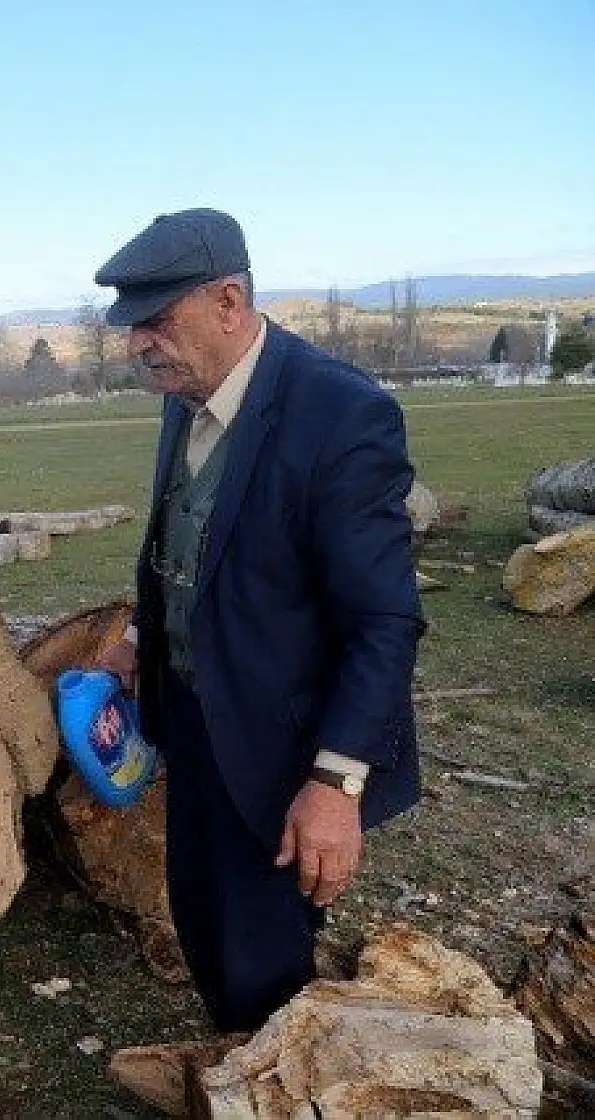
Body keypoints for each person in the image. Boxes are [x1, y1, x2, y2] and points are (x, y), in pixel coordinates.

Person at [91, 209, 424, 1032]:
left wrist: (337, 785)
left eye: (156, 320)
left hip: (284, 754)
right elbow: (180, 535)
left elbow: (383, 621)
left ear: (229, 299)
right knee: (202, 919)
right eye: (132, 325)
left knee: (264, 963)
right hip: (193, 722)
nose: (138, 343)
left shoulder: (340, 415)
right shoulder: (187, 393)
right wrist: (138, 633)